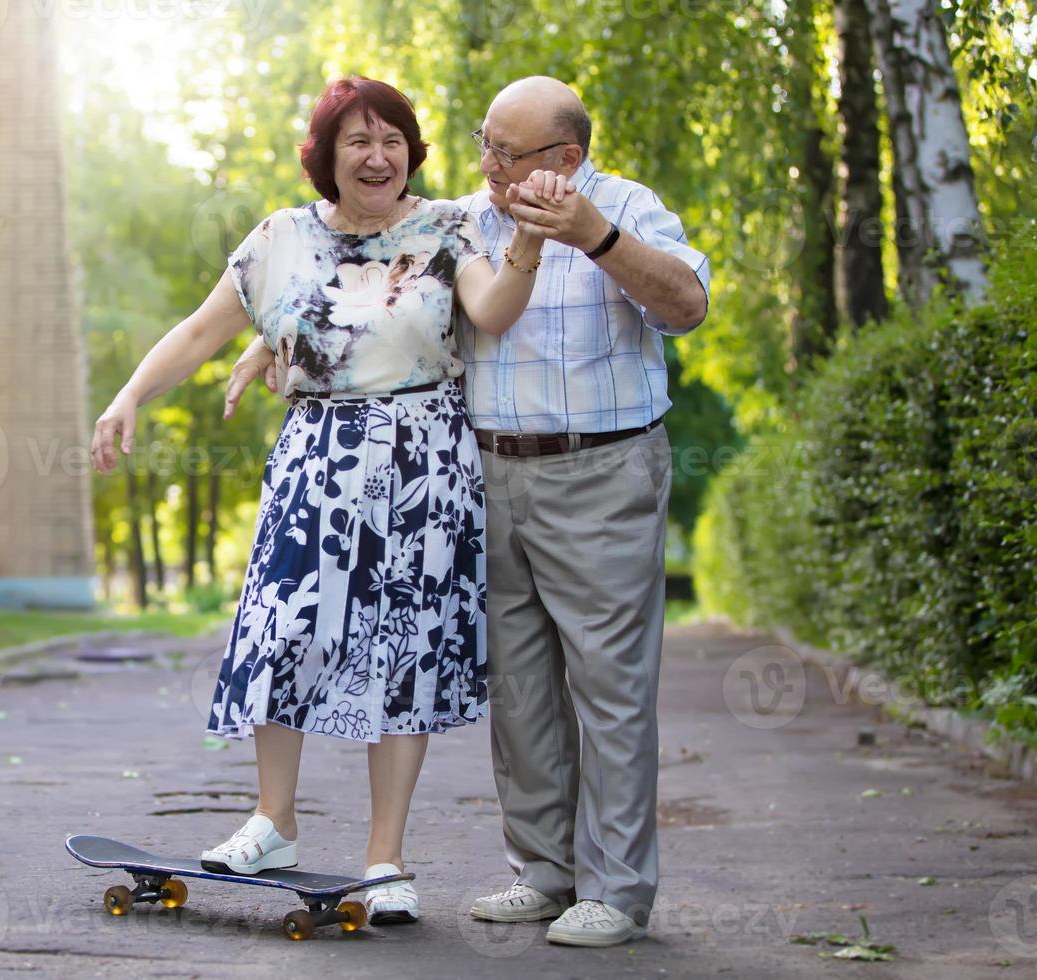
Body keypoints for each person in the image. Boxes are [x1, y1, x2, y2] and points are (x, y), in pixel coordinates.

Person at [225, 76, 710, 946]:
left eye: (508, 152)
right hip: (484, 473)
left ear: (567, 158)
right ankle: (544, 870)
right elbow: (373, 284)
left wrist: (593, 237)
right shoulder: (466, 218)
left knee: (609, 687)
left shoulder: (626, 204)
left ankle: (618, 889)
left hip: (600, 470)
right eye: (483, 144)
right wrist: (269, 341)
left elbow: (685, 306)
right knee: (519, 687)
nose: (487, 164)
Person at [90, 76, 548, 924]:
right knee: (284, 627)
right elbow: (199, 331)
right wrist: (127, 398)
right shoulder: (280, 240)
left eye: (393, 140)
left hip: (421, 464)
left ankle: (386, 857)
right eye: (357, 141)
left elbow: (495, 309)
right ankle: (274, 818)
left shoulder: (449, 227)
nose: (378, 157)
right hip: (316, 459)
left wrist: (525, 241)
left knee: (400, 652)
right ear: (325, 157)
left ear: (411, 151)